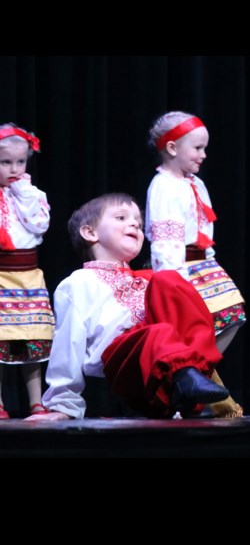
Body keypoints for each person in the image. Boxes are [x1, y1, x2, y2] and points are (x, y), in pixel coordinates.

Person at [25, 194, 229, 422]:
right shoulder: (79, 281)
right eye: (121, 218)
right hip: (124, 360)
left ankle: (188, 380)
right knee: (159, 331)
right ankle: (184, 380)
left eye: (139, 224)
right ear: (90, 233)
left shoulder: (148, 280)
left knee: (169, 280)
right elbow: (68, 342)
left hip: (160, 366)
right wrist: (63, 405)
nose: (134, 224)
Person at [144, 111, 245, 417]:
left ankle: (189, 378)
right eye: (197, 148)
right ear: (172, 148)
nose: (203, 155)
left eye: (204, 148)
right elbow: (165, 237)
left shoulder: (195, 183)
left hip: (204, 262)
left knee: (233, 315)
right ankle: (188, 384)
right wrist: (174, 279)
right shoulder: (164, 186)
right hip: (181, 265)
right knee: (198, 326)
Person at [0, 124, 55, 418]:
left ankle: (36, 400)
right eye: (5, 162)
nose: (14, 168)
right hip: (1, 275)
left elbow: (39, 225)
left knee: (32, 337)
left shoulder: (32, 193)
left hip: (28, 275)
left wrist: (23, 193)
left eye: (20, 162)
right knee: (1, 339)